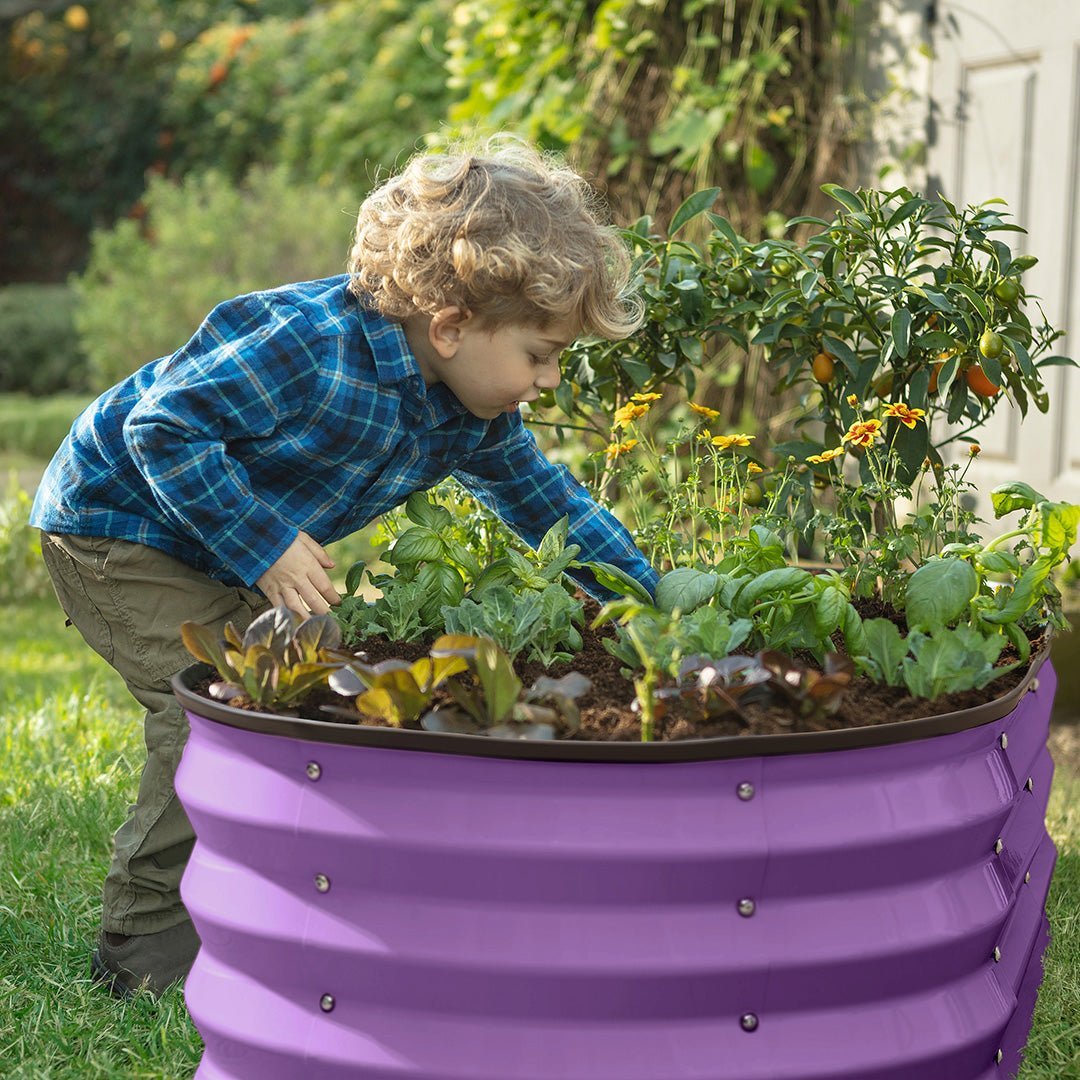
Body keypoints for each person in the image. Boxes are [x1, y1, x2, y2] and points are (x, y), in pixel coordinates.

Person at [30, 136, 659, 998]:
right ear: (450, 326)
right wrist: (264, 544)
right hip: (116, 523)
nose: (546, 381)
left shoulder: (469, 413)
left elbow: (550, 507)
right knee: (218, 708)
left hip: (212, 529)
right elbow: (162, 430)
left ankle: (275, 899)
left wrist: (650, 602)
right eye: (540, 355)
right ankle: (139, 958)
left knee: (309, 672)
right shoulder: (309, 344)